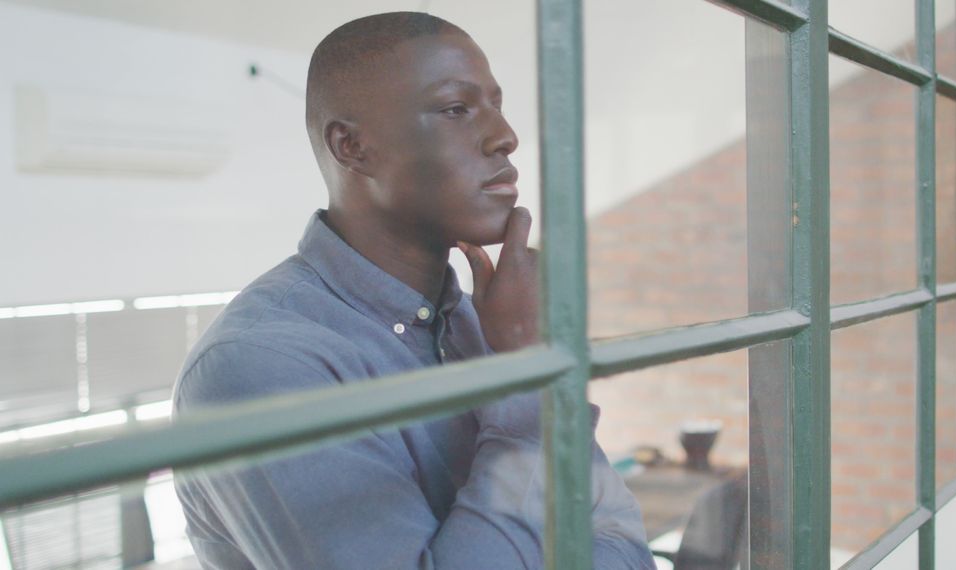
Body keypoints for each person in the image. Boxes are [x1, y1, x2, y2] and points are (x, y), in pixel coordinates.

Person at [171, 12, 654, 570]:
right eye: (455, 109)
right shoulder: (259, 365)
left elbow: (621, 540)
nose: (505, 136)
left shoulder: (482, 322)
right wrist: (528, 374)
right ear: (352, 147)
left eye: (496, 105)